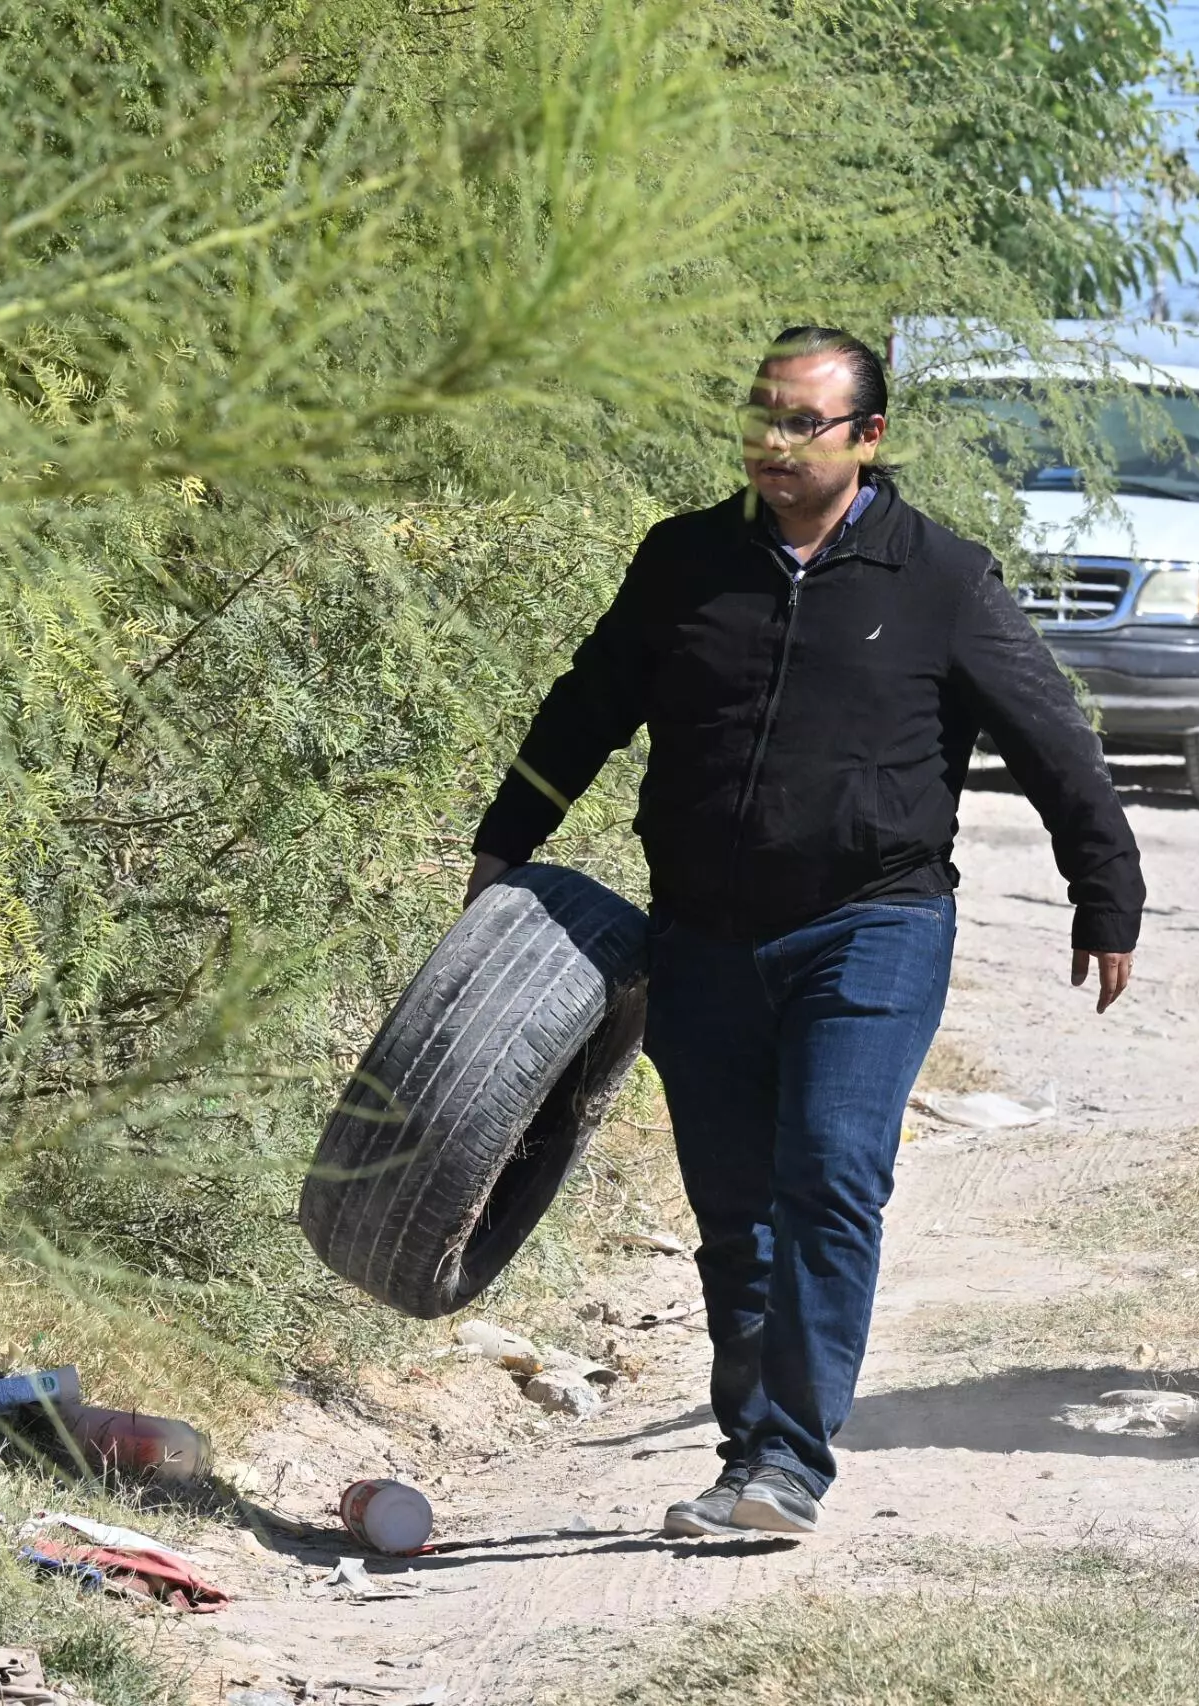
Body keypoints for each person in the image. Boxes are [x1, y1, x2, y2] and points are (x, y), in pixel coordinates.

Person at [466, 326, 1144, 1535]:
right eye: (761, 416)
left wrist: (1106, 893)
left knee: (830, 1168)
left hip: (870, 925)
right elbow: (588, 701)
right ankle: (748, 1455)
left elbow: (1053, 739)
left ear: (868, 438)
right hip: (704, 936)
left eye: (802, 424)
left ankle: (788, 1459)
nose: (774, 444)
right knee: (737, 1209)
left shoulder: (940, 579)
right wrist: (506, 834)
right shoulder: (684, 563)